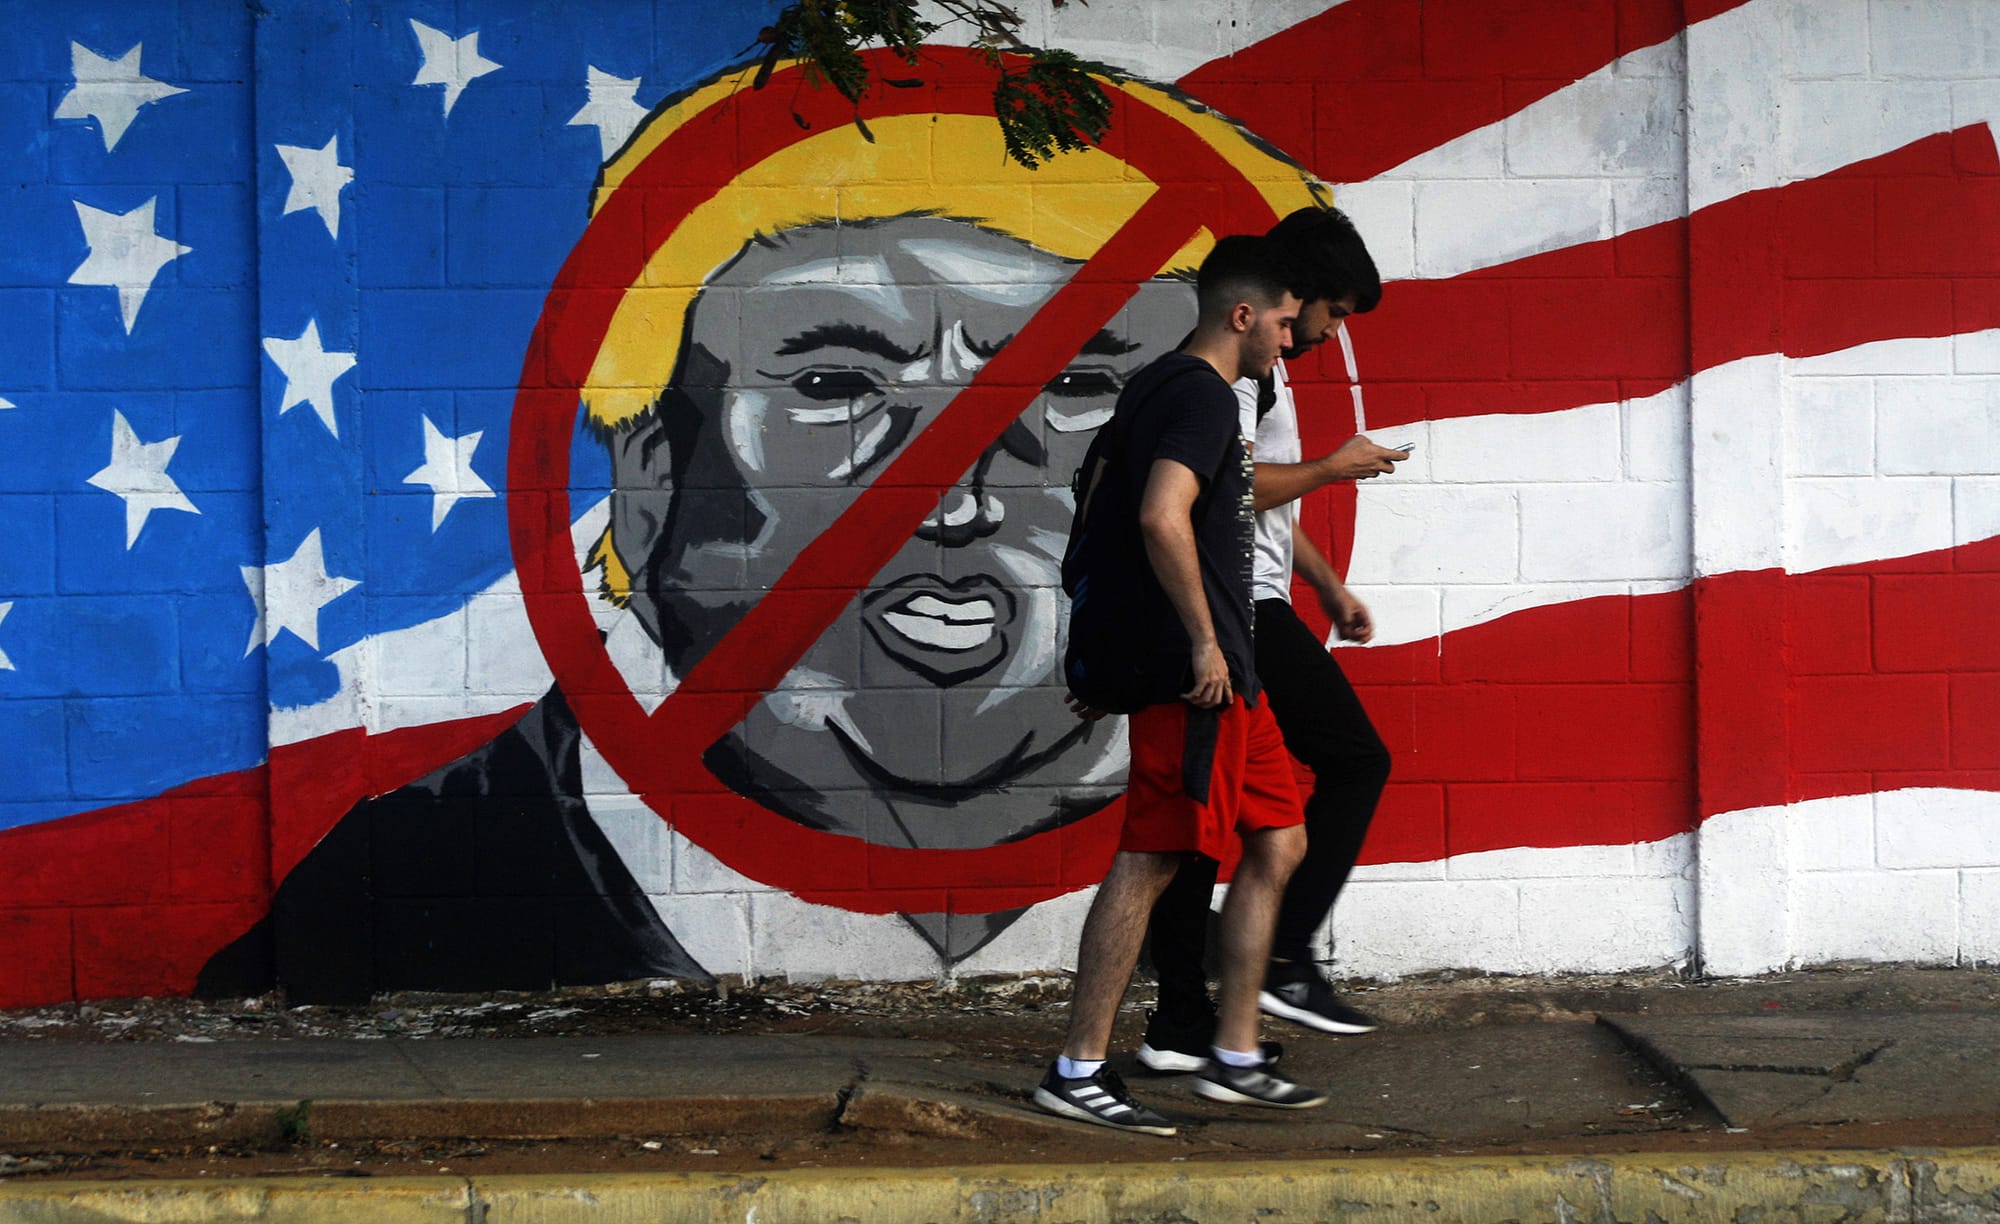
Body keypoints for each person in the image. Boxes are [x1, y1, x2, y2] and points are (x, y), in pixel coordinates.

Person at [1033, 236, 1324, 1137]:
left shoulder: (1156, 386)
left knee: (1279, 840)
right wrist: (1197, 642)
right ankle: (1078, 1069)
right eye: (1283, 322)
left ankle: (1232, 1054)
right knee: (1151, 859)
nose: (1290, 339)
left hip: (1231, 677)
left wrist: (1119, 646)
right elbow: (1160, 516)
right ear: (1243, 315)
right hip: (1197, 680)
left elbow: (1102, 511)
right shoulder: (1199, 395)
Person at [1137, 207, 1406, 1073]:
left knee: (1203, 811)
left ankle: (1183, 1018)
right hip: (1236, 606)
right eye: (1331, 314)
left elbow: (1261, 499)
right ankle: (1281, 958)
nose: (1323, 334)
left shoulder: (1260, 369)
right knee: (1352, 759)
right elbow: (1226, 490)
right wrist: (1330, 468)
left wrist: (1324, 583)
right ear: (1291, 298)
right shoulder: (1236, 377)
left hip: (1253, 599)